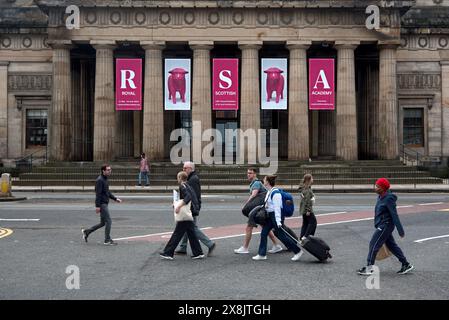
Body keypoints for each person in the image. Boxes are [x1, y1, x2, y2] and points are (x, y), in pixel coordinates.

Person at [357, 178, 414, 275]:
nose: (375, 188)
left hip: (385, 225)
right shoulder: (380, 196)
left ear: (383, 188)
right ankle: (406, 264)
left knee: (373, 244)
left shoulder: (388, 199)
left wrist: (400, 231)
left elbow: (394, 214)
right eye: (376, 186)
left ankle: (369, 267)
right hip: (382, 224)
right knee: (392, 245)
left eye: (377, 187)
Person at [252, 175, 303, 261]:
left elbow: (277, 208)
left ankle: (298, 251)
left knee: (282, 236)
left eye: (264, 180)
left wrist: (278, 221)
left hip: (276, 217)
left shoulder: (276, 193)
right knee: (264, 233)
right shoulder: (270, 191)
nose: (263, 181)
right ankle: (262, 254)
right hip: (271, 216)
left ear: (268, 182)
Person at [234, 167, 283, 254]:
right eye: (248, 173)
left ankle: (245, 248)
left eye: (250, 173)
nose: (248, 174)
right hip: (261, 210)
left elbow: (253, 195)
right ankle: (277, 245)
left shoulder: (256, 183)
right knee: (265, 227)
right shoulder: (255, 183)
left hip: (258, 209)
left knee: (249, 227)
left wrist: (245, 205)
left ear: (255, 174)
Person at [160, 171, 205, 260]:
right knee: (191, 234)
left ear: (180, 178)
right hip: (189, 213)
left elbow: (187, 197)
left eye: (178, 177)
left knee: (177, 234)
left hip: (184, 214)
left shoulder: (183, 186)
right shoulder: (188, 185)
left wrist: (178, 206)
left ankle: (168, 252)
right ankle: (198, 252)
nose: (177, 179)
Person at [175, 161, 216, 256]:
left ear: (191, 169)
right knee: (186, 226)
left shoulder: (192, 179)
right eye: (183, 168)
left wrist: (182, 204)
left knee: (192, 227)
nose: (183, 169)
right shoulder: (191, 178)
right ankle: (183, 247)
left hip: (192, 207)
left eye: (185, 168)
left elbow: (191, 196)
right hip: (192, 206)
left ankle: (210, 244)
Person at [82, 164, 122, 245]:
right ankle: (107, 240)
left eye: (110, 169)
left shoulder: (105, 179)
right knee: (109, 221)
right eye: (108, 170)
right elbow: (98, 194)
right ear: (103, 171)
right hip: (102, 204)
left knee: (103, 223)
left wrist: (115, 198)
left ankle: (87, 231)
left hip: (105, 203)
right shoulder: (100, 180)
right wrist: (97, 206)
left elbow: (107, 192)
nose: (110, 171)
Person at [299, 174, 317, 241]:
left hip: (303, 209)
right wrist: (308, 210)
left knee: (305, 223)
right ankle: (306, 236)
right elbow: (308, 201)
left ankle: (301, 237)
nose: (313, 179)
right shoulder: (308, 190)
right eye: (312, 178)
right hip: (307, 210)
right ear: (308, 180)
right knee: (313, 222)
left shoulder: (303, 188)